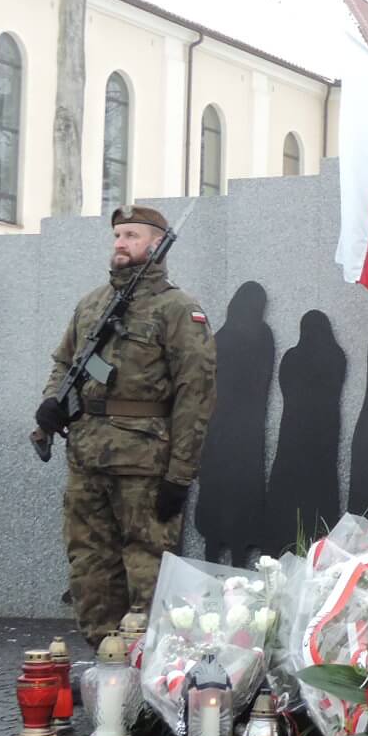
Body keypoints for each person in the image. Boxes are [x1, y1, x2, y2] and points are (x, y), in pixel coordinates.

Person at [35, 205, 216, 645]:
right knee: (89, 563)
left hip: (143, 462)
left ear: (156, 244)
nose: (120, 243)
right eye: (117, 235)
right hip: (86, 456)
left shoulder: (178, 309)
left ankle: (149, 662)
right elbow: (64, 361)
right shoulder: (92, 304)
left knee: (148, 566)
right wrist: (51, 402)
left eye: (132, 235)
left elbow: (195, 394)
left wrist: (180, 475)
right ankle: (105, 658)